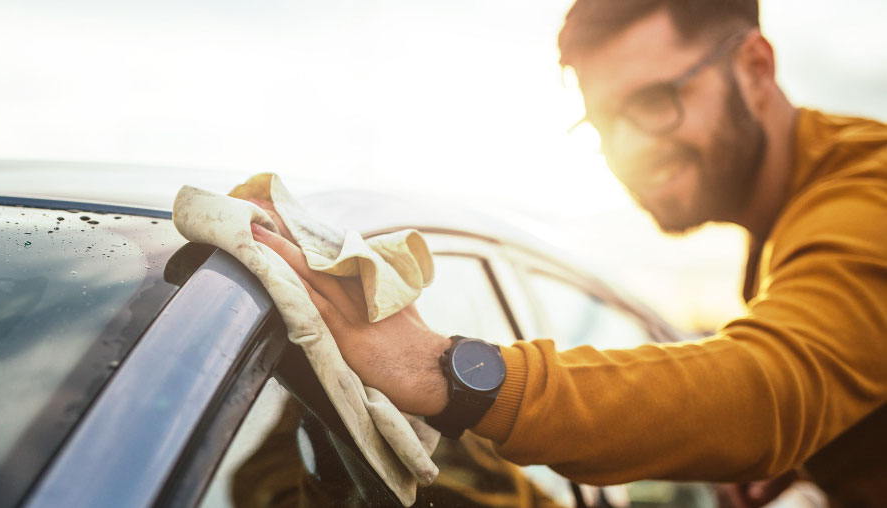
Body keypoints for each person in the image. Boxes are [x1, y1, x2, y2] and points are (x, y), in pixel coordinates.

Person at [248, 0, 887, 506]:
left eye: (654, 102)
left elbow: (769, 391)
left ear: (755, 67)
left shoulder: (871, 189)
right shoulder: (792, 221)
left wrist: (446, 371)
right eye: (603, 124)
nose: (629, 151)